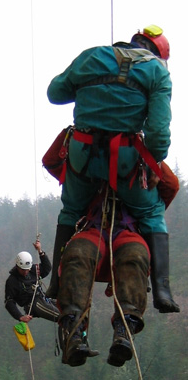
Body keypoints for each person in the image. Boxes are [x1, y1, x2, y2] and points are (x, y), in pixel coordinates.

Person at [46, 24, 180, 313]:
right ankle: (162, 290)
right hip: (125, 158)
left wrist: (94, 90)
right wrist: (154, 162)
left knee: (71, 211)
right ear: (157, 53)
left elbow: (56, 93)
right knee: (151, 212)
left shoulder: (91, 57)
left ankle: (55, 285)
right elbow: (157, 132)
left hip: (82, 152)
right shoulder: (158, 72)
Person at [57, 186, 150, 367]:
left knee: (135, 255)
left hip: (127, 228)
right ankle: (74, 332)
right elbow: (54, 163)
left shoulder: (139, 163)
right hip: (93, 227)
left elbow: (168, 186)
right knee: (77, 253)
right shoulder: (89, 160)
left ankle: (125, 329)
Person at [4, 240, 59, 323]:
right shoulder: (12, 281)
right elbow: (9, 301)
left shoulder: (32, 270)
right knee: (61, 316)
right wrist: (20, 317)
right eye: (23, 270)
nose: (26, 272)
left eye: (27, 269)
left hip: (43, 298)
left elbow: (46, 268)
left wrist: (40, 251)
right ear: (17, 266)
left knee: (67, 309)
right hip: (33, 305)